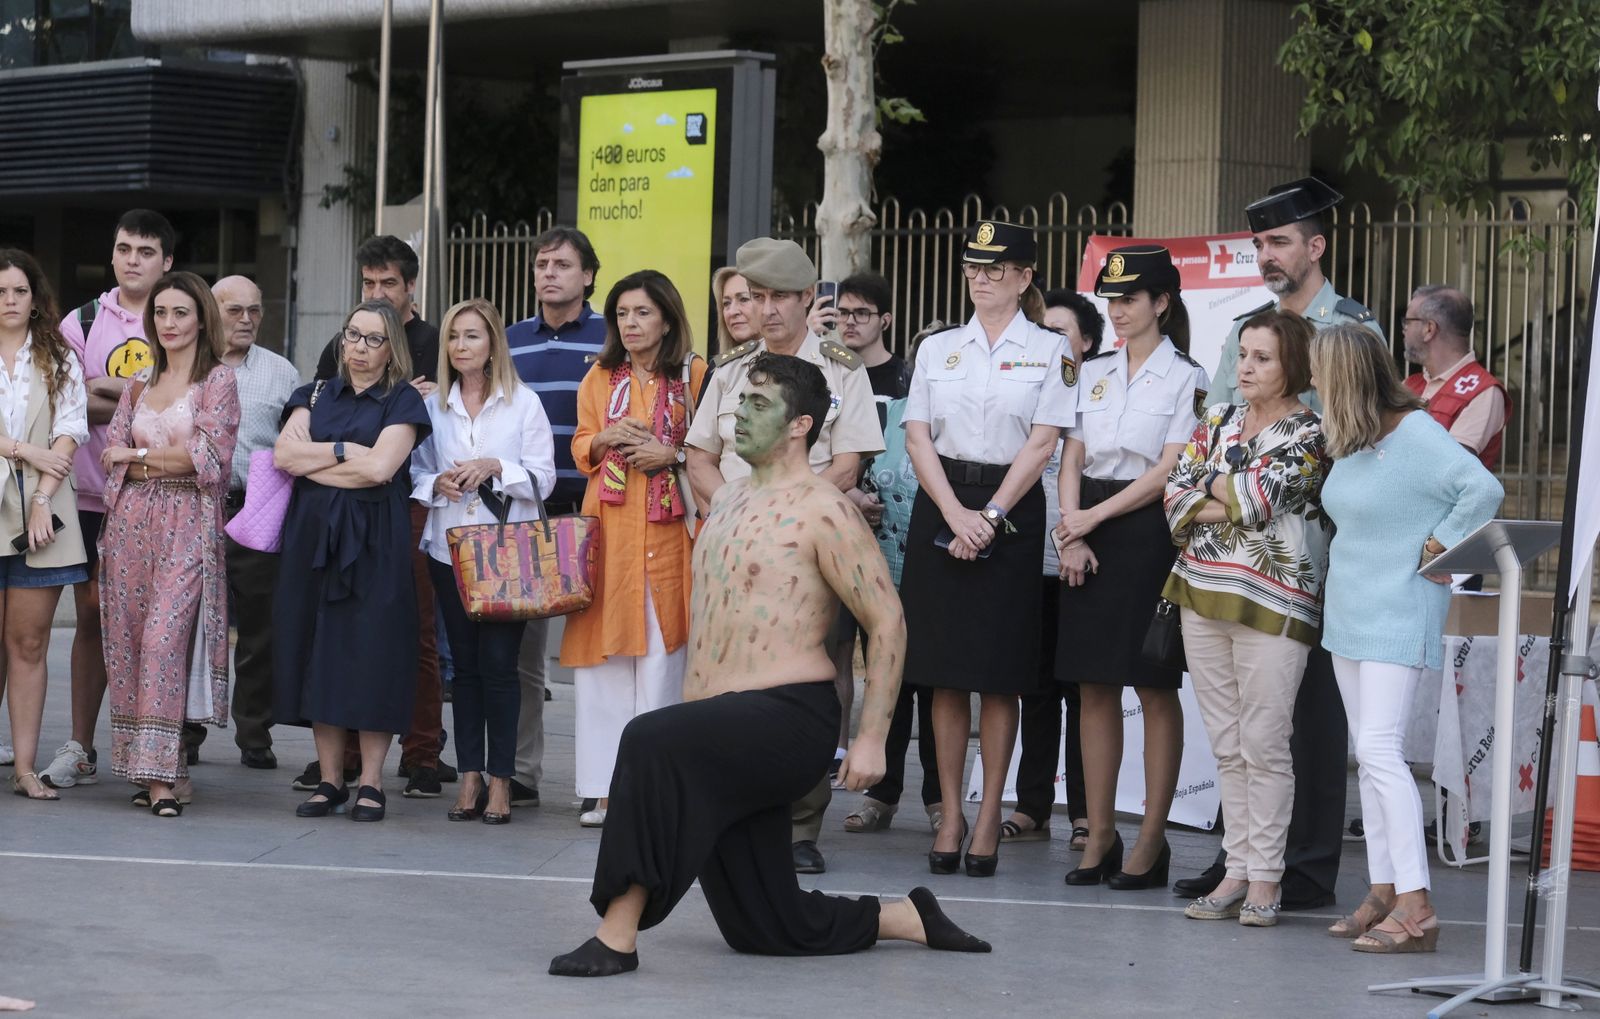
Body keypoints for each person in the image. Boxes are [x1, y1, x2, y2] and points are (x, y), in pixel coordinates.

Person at [548, 352, 990, 978]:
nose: (739, 418)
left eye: (759, 406)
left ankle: (615, 934)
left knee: (649, 740)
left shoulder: (823, 508)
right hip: (723, 724)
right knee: (765, 924)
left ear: (799, 425)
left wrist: (870, 740)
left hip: (788, 718)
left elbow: (887, 620)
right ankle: (903, 918)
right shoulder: (724, 501)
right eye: (738, 404)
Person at [1173, 176, 1381, 911]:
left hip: (1319, 545)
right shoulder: (1245, 328)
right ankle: (1246, 861)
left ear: (1315, 246)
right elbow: (1217, 426)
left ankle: (1308, 866)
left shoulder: (1352, 327)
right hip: (1230, 556)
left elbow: (1360, 435)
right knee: (1243, 726)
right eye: (1259, 242)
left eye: (1279, 241)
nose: (1265, 254)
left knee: (1308, 720)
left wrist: (1234, 490)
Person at [684, 237, 884, 875]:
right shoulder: (731, 368)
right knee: (727, 671)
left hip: (812, 549)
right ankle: (735, 806)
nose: (765, 310)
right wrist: (734, 513)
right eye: (755, 297)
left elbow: (850, 461)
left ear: (807, 299)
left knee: (820, 676)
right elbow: (699, 458)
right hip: (735, 550)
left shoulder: (841, 368)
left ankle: (800, 823)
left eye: (778, 298)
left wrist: (785, 517)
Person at [1312, 323, 1502, 952]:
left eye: (1319, 368)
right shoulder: (1350, 437)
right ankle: (1384, 888)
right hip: (1349, 610)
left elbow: (1484, 488)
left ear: (1346, 375)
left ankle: (1417, 903)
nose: (1312, 378)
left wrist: (1443, 543)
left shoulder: (1417, 432)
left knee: (1382, 751)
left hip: (1400, 606)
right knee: (1367, 757)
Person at [902, 220, 1079, 878]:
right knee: (943, 672)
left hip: (1012, 503)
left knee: (1000, 673)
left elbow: (1043, 441)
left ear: (1026, 276)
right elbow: (918, 435)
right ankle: (949, 811)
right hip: (943, 499)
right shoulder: (940, 347)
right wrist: (955, 513)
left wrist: (992, 514)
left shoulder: (1051, 350)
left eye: (997, 268)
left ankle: (986, 816)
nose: (981, 277)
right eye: (974, 267)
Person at [1162, 309, 1330, 927]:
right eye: (1244, 355)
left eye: (1263, 357)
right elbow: (1174, 494)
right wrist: (1220, 489)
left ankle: (1266, 877)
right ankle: (1235, 869)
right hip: (1200, 593)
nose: (1248, 367)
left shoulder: (1312, 434)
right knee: (1228, 746)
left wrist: (1213, 485)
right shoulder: (1219, 417)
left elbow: (1259, 501)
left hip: (1275, 603)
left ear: (1294, 366)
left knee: (1264, 744)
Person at [1056, 244, 1209, 890]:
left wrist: (1092, 520)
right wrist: (1070, 525)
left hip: (1148, 529)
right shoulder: (1091, 371)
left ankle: (1152, 836)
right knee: (1092, 684)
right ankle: (1099, 833)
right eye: (1110, 299)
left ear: (1162, 303)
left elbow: (1169, 468)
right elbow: (1071, 453)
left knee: (1152, 684)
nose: (1116, 311)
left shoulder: (1186, 376)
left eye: (1129, 299)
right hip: (1086, 519)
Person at [273, 299, 431, 823]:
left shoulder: (403, 401)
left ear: (393, 350)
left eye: (373, 339)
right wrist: (344, 450)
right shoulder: (313, 393)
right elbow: (284, 458)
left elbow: (383, 469)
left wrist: (320, 457)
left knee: (372, 653)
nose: (360, 348)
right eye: (353, 335)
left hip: (376, 540)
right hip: (313, 536)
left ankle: (371, 782)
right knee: (320, 651)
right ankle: (328, 779)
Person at [303, 235, 449, 799]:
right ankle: (332, 765)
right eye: (369, 283)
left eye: (389, 282)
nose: (378, 292)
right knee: (335, 632)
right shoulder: (339, 345)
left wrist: (348, 456)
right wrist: (342, 454)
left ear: (410, 286)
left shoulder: (435, 341)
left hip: (409, 504)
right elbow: (310, 424)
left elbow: (396, 454)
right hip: (335, 513)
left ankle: (420, 754)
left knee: (410, 633)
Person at [561, 270, 706, 828]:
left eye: (642, 313)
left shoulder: (694, 375)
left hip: (670, 540)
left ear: (667, 318)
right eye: (622, 315)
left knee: (662, 669)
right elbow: (580, 443)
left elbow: (706, 448)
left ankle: (654, 793)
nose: (631, 324)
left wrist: (666, 454)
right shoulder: (600, 377)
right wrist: (608, 438)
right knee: (603, 672)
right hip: (611, 537)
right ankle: (602, 791)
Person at [40, 209, 173, 790]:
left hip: (161, 494)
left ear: (167, 261)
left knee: (158, 625)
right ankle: (82, 747)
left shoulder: (180, 317)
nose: (132, 260)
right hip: (90, 494)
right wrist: (143, 398)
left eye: (146, 251)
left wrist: (111, 392)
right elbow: (67, 405)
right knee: (92, 616)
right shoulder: (83, 320)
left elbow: (191, 401)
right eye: (124, 249)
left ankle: (158, 750)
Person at [98, 271, 240, 817]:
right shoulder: (136, 382)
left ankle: (158, 781)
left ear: (201, 316)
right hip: (129, 524)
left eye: (180, 312)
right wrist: (143, 462)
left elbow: (207, 462)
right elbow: (110, 454)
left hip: (189, 523)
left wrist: (137, 460)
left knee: (163, 641)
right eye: (160, 313)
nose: (169, 323)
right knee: (132, 642)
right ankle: (162, 769)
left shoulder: (217, 382)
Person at [413, 298, 555, 825]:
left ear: (493, 342)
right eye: (453, 337)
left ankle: (501, 780)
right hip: (448, 550)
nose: (461, 346)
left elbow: (545, 479)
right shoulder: (434, 407)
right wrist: (438, 482)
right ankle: (468, 774)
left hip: (507, 555)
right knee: (465, 671)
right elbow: (416, 473)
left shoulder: (524, 404)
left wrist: (498, 466)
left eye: (472, 336)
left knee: (500, 669)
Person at [506, 226, 608, 811]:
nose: (549, 273)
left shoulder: (612, 337)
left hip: (598, 512)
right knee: (525, 658)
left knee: (607, 656)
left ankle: (608, 779)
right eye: (542, 263)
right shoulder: (511, 340)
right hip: (528, 514)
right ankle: (522, 772)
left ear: (588, 275)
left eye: (563, 264)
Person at [1003, 289, 1103, 850]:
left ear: (1087, 343)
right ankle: (1033, 804)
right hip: (1028, 561)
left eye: (1062, 331)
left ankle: (1087, 812)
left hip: (1081, 557)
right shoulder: (1030, 387)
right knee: (1036, 691)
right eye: (1045, 328)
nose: (1051, 338)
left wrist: (1074, 534)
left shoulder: (1099, 396)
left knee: (1084, 692)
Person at [806, 270, 909, 786]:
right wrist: (844, 493)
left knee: (891, 651)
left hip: (895, 534)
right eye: (842, 312)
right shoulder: (823, 373)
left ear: (885, 319)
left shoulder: (906, 379)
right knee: (835, 649)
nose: (849, 322)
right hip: (832, 520)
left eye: (861, 314)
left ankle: (882, 778)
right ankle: (834, 751)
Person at [840, 328, 944, 836]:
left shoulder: (971, 421)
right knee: (888, 686)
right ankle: (881, 794)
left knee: (937, 689)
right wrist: (862, 498)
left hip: (946, 573)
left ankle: (940, 799)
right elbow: (855, 476)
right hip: (882, 574)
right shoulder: (886, 413)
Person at [0, 249, 90, 801]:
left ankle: (25, 767)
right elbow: (40, 447)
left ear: (35, 298)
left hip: (43, 511)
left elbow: (71, 431)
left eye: (18, 291)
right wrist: (19, 447)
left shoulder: (58, 354)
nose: (8, 301)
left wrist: (41, 501)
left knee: (29, 643)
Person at [212, 275, 299, 770]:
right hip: (197, 508)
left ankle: (254, 734)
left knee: (260, 630)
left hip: (258, 507)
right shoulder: (192, 365)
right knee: (193, 627)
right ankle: (185, 732)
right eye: (234, 310)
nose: (246, 320)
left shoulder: (282, 373)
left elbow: (298, 436)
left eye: (254, 311)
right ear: (212, 310)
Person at [1400, 285, 1510, 469]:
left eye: (1408, 321)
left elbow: (1448, 468)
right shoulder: (1409, 384)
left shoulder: (1483, 392)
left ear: (1429, 329)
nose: (1404, 330)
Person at [711, 266, 759, 359]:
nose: (732, 312)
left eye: (744, 299)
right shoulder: (719, 367)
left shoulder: (789, 365)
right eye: (726, 303)